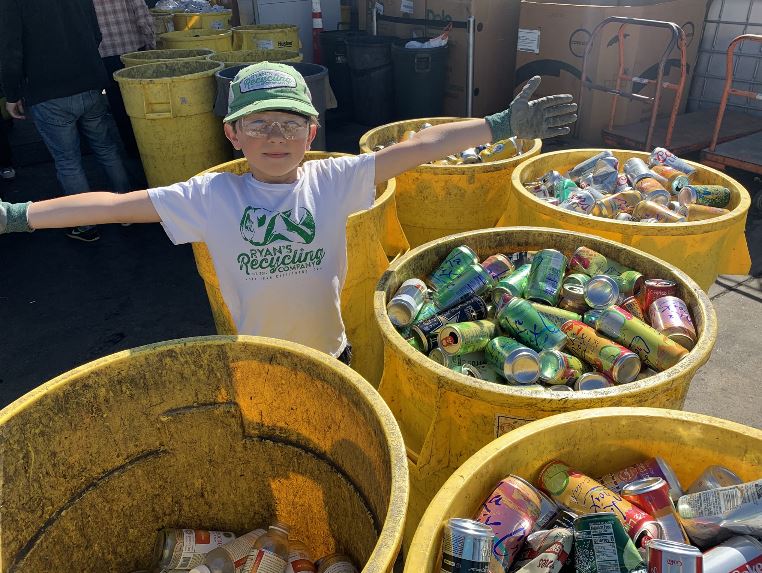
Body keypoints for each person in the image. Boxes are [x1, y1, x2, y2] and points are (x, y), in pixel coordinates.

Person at [0, 63, 576, 363]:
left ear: (312, 131)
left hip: (334, 351)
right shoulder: (210, 198)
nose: (275, 136)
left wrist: (497, 126)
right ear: (232, 134)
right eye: (258, 124)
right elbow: (115, 206)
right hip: (259, 355)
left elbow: (417, 148)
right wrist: (20, 214)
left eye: (290, 124)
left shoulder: (335, 178)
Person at [0, 0, 133, 242]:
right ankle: (129, 209)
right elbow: (96, 32)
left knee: (68, 161)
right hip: (90, 80)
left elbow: (10, 49)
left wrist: (11, 94)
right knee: (106, 147)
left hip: (48, 91)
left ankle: (86, 224)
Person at [93, 0, 156, 158]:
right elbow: (141, 14)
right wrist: (151, 43)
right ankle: (150, 146)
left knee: (117, 103)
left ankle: (132, 149)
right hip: (132, 50)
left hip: (103, 52)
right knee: (143, 101)